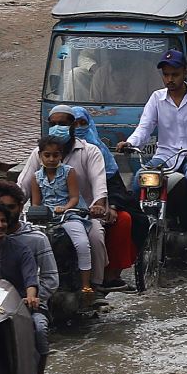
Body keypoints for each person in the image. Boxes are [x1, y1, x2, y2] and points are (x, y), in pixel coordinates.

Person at [116, 51, 187, 255]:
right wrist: (130, 142)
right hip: (165, 154)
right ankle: (139, 226)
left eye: (175, 74)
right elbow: (144, 128)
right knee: (139, 179)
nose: (170, 79)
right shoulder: (156, 98)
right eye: (166, 75)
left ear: (185, 73)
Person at [17, 106, 114, 291]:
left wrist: (99, 205)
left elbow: (99, 182)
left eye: (62, 123)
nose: (57, 127)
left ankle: (94, 287)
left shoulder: (90, 151)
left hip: (82, 214)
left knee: (94, 239)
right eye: (53, 124)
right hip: (45, 217)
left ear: (73, 125)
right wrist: (12, 204)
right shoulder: (38, 154)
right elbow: (23, 185)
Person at [0, 181, 58, 374]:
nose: (3, 218)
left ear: (21, 207)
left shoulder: (35, 240)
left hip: (30, 307)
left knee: (39, 330)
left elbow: (50, 279)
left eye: (11, 208)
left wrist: (28, 301)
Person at [66, 106, 137, 292]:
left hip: (94, 208)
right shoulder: (52, 151)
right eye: (73, 124)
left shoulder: (97, 151)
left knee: (124, 220)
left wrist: (107, 205)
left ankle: (106, 278)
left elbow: (105, 182)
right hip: (63, 209)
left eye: (83, 123)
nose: (78, 128)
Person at [30, 135, 95, 305]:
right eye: (47, 155)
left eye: (55, 155)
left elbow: (74, 197)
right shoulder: (36, 177)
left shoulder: (69, 172)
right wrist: (39, 213)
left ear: (61, 156)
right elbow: (36, 203)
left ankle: (86, 285)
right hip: (45, 220)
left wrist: (64, 208)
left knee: (82, 243)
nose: (51, 159)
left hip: (69, 216)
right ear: (40, 156)